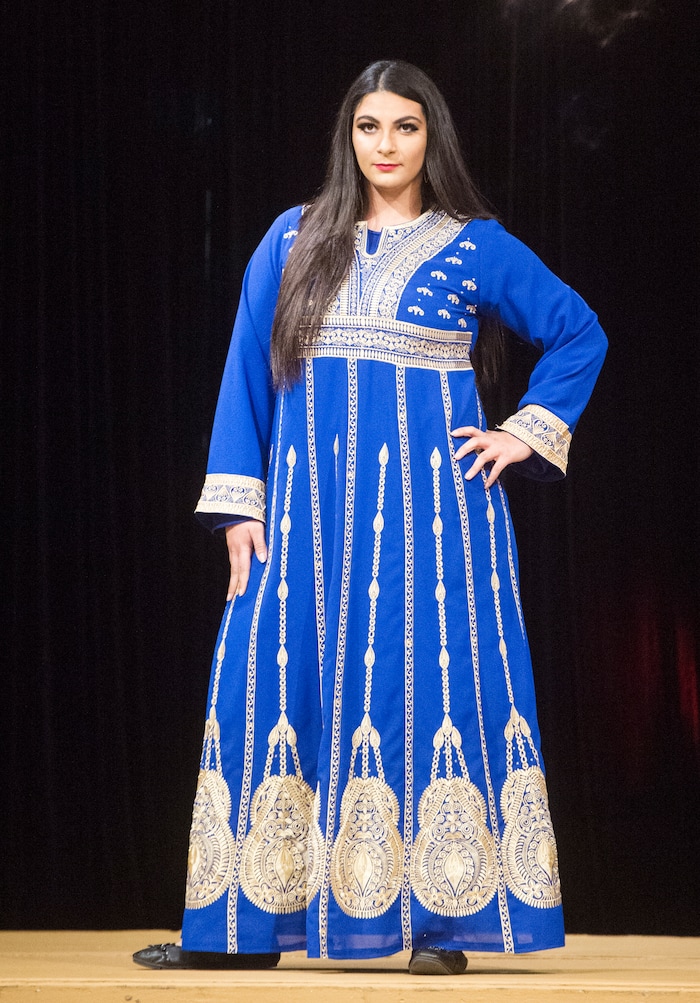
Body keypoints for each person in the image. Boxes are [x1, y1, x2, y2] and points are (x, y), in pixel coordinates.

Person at [134, 60, 606, 976]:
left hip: (433, 521)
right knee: (272, 680)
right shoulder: (294, 238)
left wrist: (522, 432)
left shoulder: (474, 245)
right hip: (305, 521)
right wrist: (239, 506)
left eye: (405, 127)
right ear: (346, 137)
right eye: (368, 128)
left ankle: (436, 927)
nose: (385, 146)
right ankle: (238, 927)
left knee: (423, 685)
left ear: (434, 137)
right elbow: (245, 376)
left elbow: (578, 329)